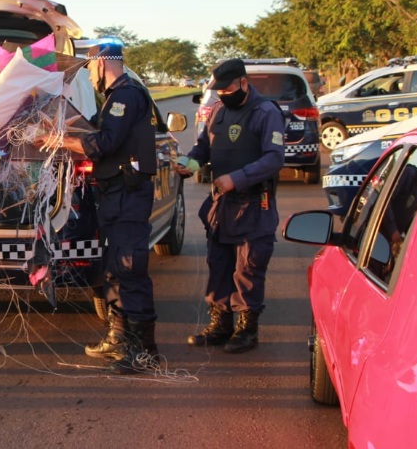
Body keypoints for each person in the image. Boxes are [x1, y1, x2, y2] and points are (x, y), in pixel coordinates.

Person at [37, 40, 163, 374]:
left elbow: (103, 143)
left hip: (127, 195)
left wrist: (58, 140)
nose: (90, 76)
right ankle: (119, 337)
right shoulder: (113, 99)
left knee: (129, 268)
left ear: (102, 64)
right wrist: (57, 128)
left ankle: (143, 350)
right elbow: (91, 130)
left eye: (90, 68)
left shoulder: (126, 96)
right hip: (113, 195)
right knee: (113, 269)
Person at [175, 58, 286, 354]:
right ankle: (220, 324)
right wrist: (191, 162)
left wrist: (237, 179)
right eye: (219, 91)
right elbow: (203, 146)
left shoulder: (265, 112)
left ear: (243, 83)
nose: (223, 94)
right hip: (222, 205)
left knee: (248, 267)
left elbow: (274, 159)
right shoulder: (219, 112)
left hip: (253, 203)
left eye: (227, 89)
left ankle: (247, 329)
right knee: (219, 263)